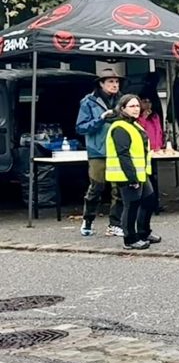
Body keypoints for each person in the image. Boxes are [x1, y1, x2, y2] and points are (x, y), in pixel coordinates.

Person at [105, 94, 160, 250]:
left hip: (140, 173)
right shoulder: (120, 127)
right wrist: (132, 178)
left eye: (137, 106)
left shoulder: (134, 125)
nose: (136, 109)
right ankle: (130, 239)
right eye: (132, 106)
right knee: (132, 206)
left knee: (149, 201)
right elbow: (123, 154)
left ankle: (143, 232)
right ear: (123, 109)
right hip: (127, 175)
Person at [76, 68, 124, 237]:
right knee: (97, 187)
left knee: (119, 189)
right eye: (110, 81)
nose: (115, 85)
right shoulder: (88, 102)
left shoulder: (123, 101)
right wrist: (101, 118)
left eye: (117, 82)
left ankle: (115, 224)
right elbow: (80, 127)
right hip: (97, 150)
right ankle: (88, 220)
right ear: (101, 84)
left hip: (119, 150)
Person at [137, 97, 165, 214]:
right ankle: (146, 205)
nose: (148, 104)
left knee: (155, 177)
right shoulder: (138, 118)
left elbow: (159, 131)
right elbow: (140, 130)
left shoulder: (155, 116)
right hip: (144, 150)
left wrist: (161, 144)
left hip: (156, 150)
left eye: (149, 101)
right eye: (145, 101)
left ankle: (155, 204)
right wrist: (143, 117)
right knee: (146, 178)